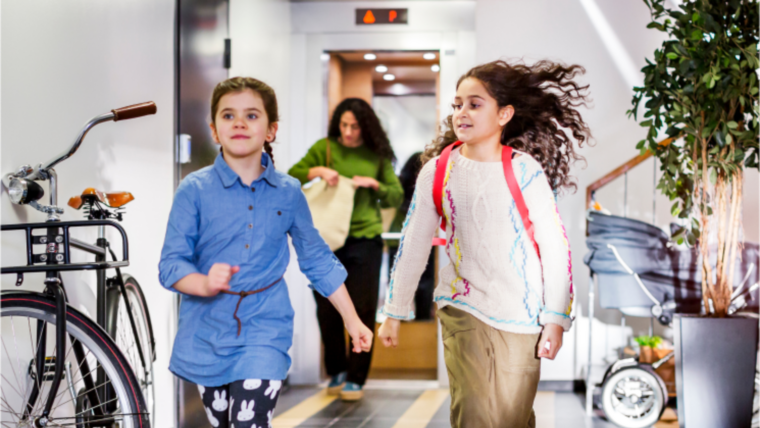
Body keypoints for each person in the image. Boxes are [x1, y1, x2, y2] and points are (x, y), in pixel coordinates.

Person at [378, 60, 591, 428]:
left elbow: (555, 247)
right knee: (473, 413)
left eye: (474, 104)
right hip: (462, 306)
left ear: (504, 114)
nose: (462, 112)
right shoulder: (438, 171)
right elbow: (414, 243)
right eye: (457, 104)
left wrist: (555, 319)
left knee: (512, 417)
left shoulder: (524, 170)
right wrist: (394, 310)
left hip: (522, 315)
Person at [159, 77, 374, 428]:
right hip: (205, 333)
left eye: (252, 115)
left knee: (249, 423)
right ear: (214, 130)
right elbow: (170, 265)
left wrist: (352, 319)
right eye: (228, 116)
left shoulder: (288, 192)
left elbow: (317, 259)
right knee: (225, 422)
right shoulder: (193, 190)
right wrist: (203, 282)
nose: (240, 123)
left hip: (265, 326)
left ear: (271, 130)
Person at [288, 98, 403, 401]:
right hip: (325, 239)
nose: (349, 132)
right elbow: (292, 175)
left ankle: (356, 377)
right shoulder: (324, 147)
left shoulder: (376, 155)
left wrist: (374, 184)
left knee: (363, 308)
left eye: (354, 126)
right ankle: (336, 370)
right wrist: (319, 171)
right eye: (344, 126)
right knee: (326, 308)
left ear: (365, 126)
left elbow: (396, 195)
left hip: (365, 240)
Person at [387, 152, 435, 320]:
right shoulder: (424, 182)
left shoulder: (404, 183)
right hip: (408, 236)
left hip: (399, 237)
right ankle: (420, 319)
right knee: (423, 283)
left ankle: (400, 320)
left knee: (398, 280)